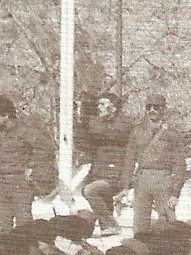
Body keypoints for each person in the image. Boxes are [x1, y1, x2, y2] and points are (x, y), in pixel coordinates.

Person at [117, 92, 188, 235]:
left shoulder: (172, 134)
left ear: (163, 110)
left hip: (164, 179)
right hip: (142, 179)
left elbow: (180, 165)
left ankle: (167, 254)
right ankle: (140, 251)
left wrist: (175, 192)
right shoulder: (137, 132)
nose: (152, 110)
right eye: (149, 107)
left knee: (167, 221)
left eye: (157, 107)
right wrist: (125, 186)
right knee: (140, 221)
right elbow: (129, 160)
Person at [0, 95, 55, 236]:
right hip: (1, 184)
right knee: (2, 228)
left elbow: (46, 148)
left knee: (24, 225)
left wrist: (32, 167)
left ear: (6, 115)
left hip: (20, 184)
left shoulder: (25, 130)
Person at [81, 92, 133, 235]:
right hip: (100, 171)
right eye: (98, 104)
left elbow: (103, 133)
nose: (99, 107)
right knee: (92, 192)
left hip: (115, 174)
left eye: (103, 104)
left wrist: (97, 123)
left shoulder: (123, 124)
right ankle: (107, 226)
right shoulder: (99, 123)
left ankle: (110, 223)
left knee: (90, 191)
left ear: (114, 108)